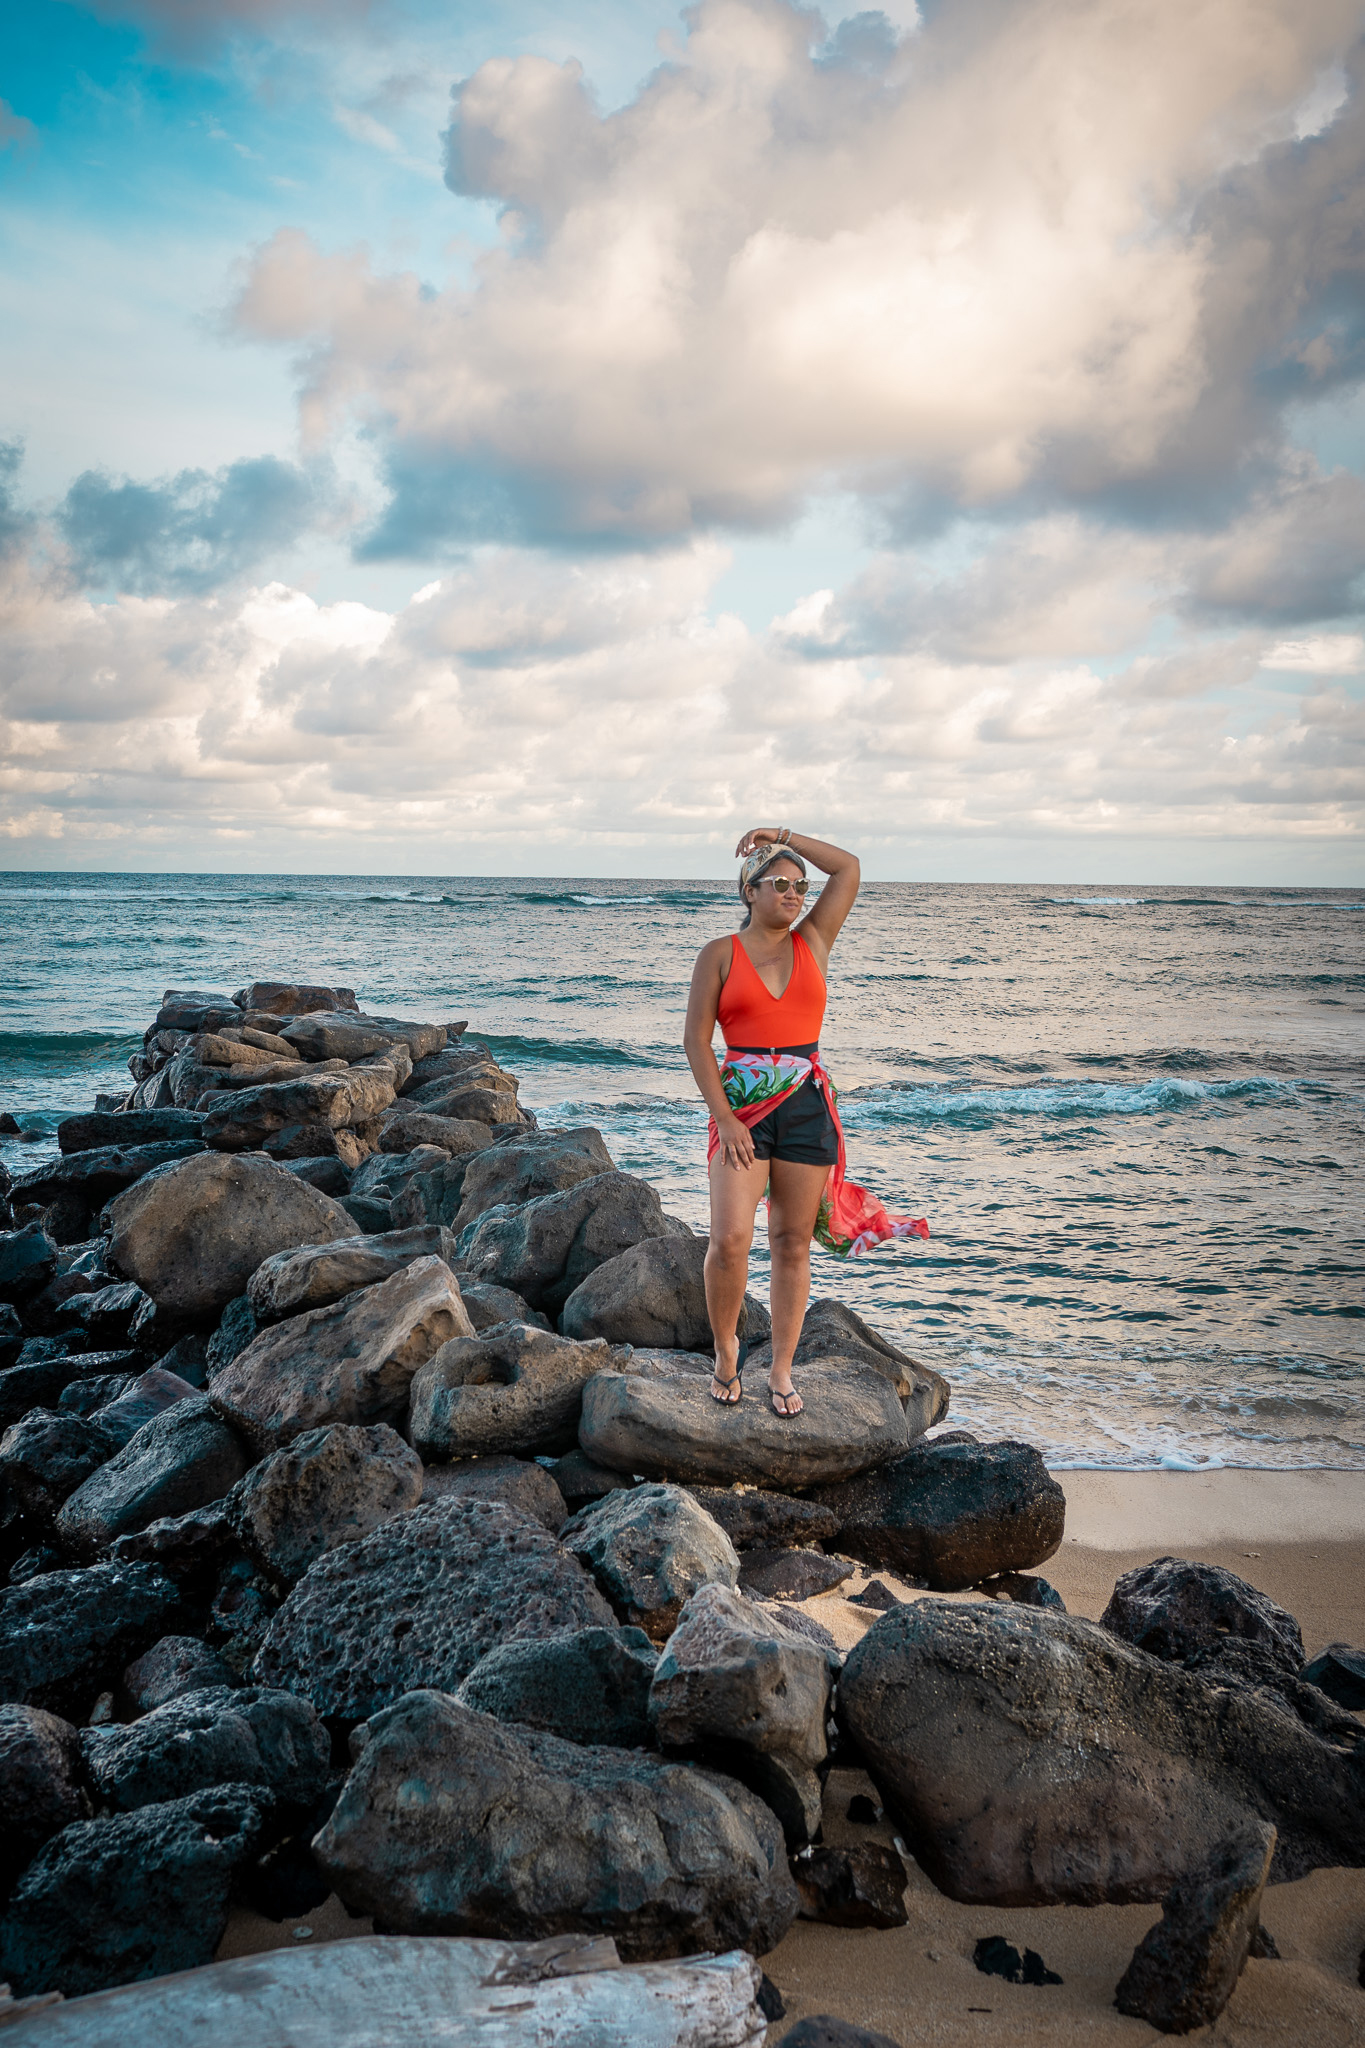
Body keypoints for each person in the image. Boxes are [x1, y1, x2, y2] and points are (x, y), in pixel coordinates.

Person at [684, 825, 928, 1418]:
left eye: (800, 886)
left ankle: (782, 1370)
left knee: (792, 1243)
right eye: (780, 884)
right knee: (730, 1240)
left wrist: (786, 834)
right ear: (749, 890)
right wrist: (726, 1118)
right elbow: (695, 1042)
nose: (794, 894)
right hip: (741, 1108)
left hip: (804, 1103)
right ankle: (725, 1350)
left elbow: (848, 868)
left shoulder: (813, 940)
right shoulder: (719, 954)